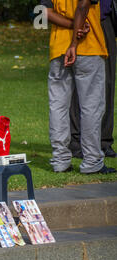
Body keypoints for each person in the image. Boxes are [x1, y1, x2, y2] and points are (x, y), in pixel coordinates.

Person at [43, 0, 115, 174]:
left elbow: (45, 12)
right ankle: (92, 161)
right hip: (87, 45)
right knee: (91, 106)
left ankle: (60, 160)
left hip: (58, 47)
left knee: (58, 106)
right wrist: (76, 35)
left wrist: (71, 25)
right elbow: (83, 4)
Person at [68, 0, 117, 159]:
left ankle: (103, 140)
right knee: (77, 82)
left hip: (104, 18)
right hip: (78, 16)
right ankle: (76, 141)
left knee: (107, 83)